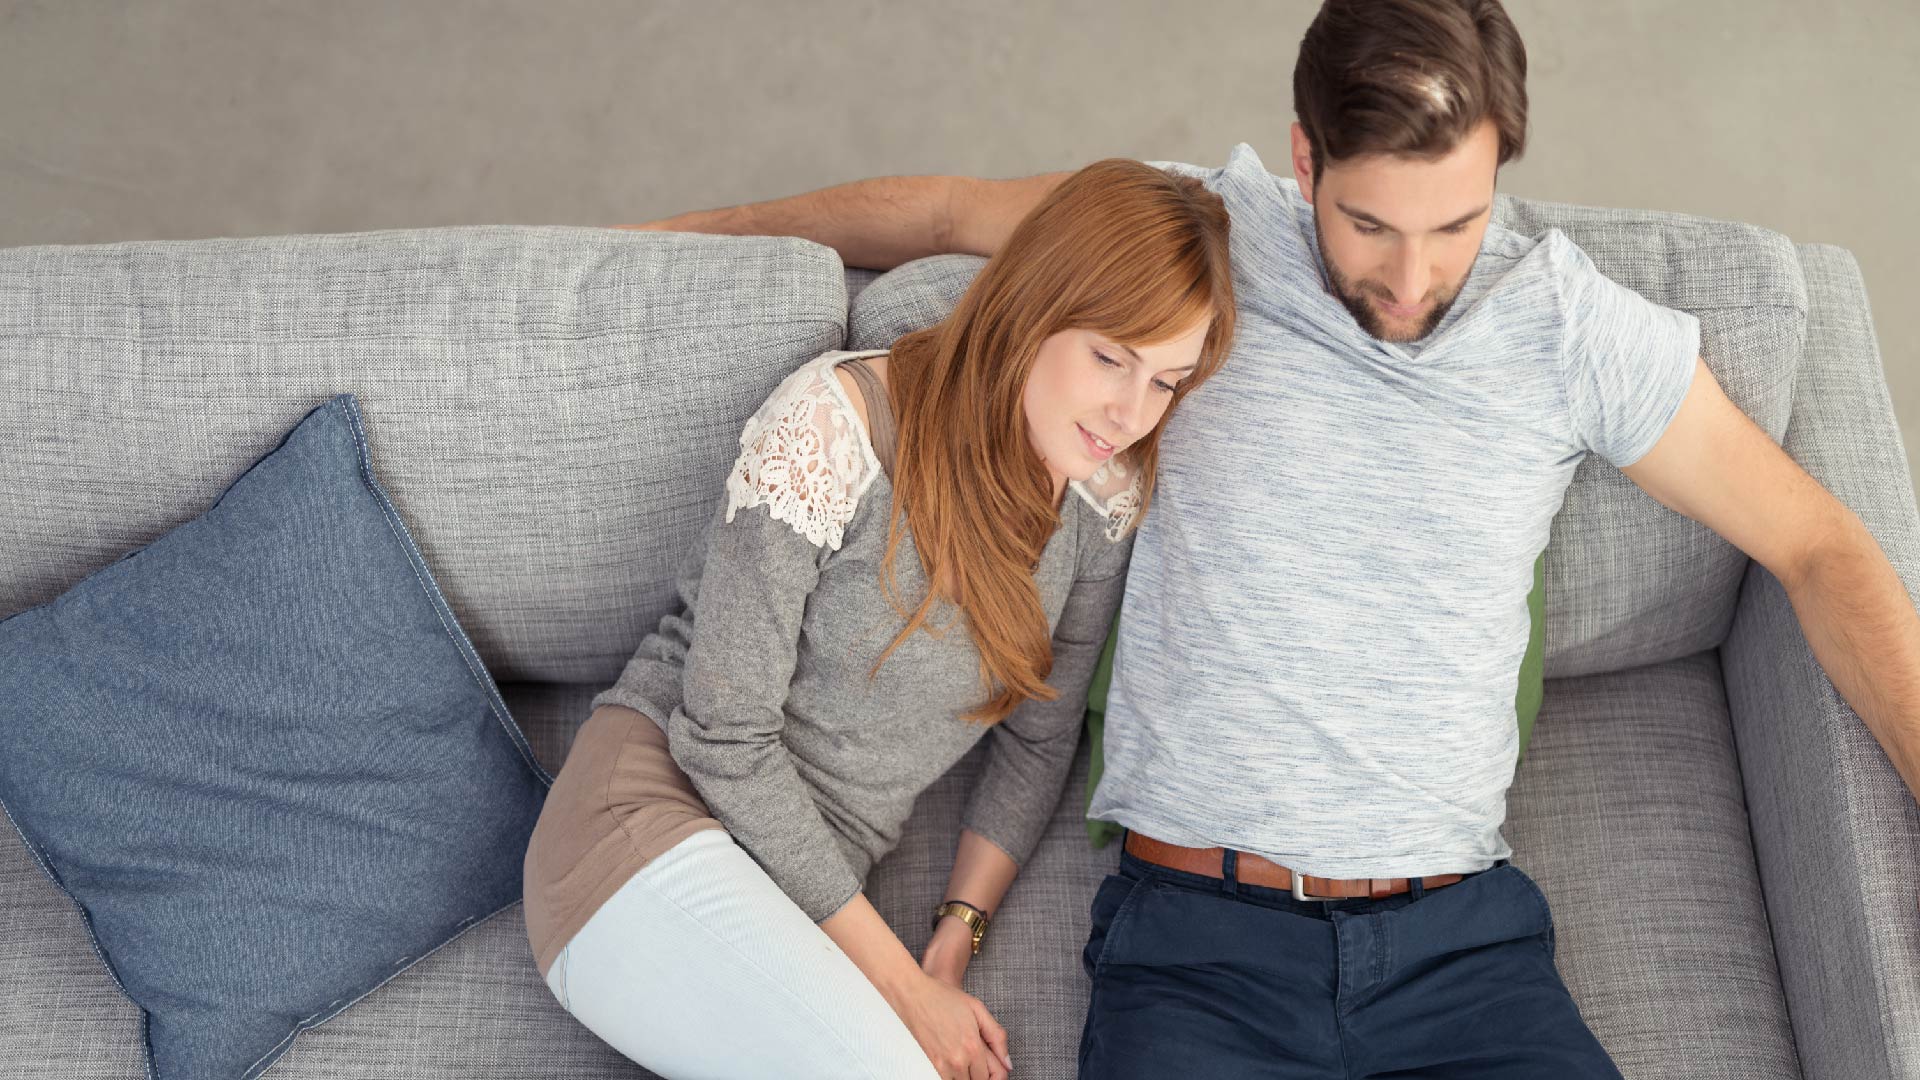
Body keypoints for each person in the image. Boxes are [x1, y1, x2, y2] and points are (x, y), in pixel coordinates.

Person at [622, 0, 1920, 1075]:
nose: (1411, 283)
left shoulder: (1579, 333)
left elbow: (1820, 547)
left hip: (1460, 951)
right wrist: (652, 248)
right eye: (1370, 227)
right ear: (1305, 163)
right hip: (1197, 952)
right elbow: (947, 210)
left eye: (1455, 226)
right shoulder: (1202, 242)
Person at [521, 157, 1235, 1080]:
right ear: (1032, 303)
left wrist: (953, 940)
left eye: (1167, 382)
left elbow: (1037, 739)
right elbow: (722, 738)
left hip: (794, 891)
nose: (1129, 414)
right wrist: (907, 991)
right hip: (646, 828)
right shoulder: (835, 428)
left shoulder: (1102, 493)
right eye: (1110, 357)